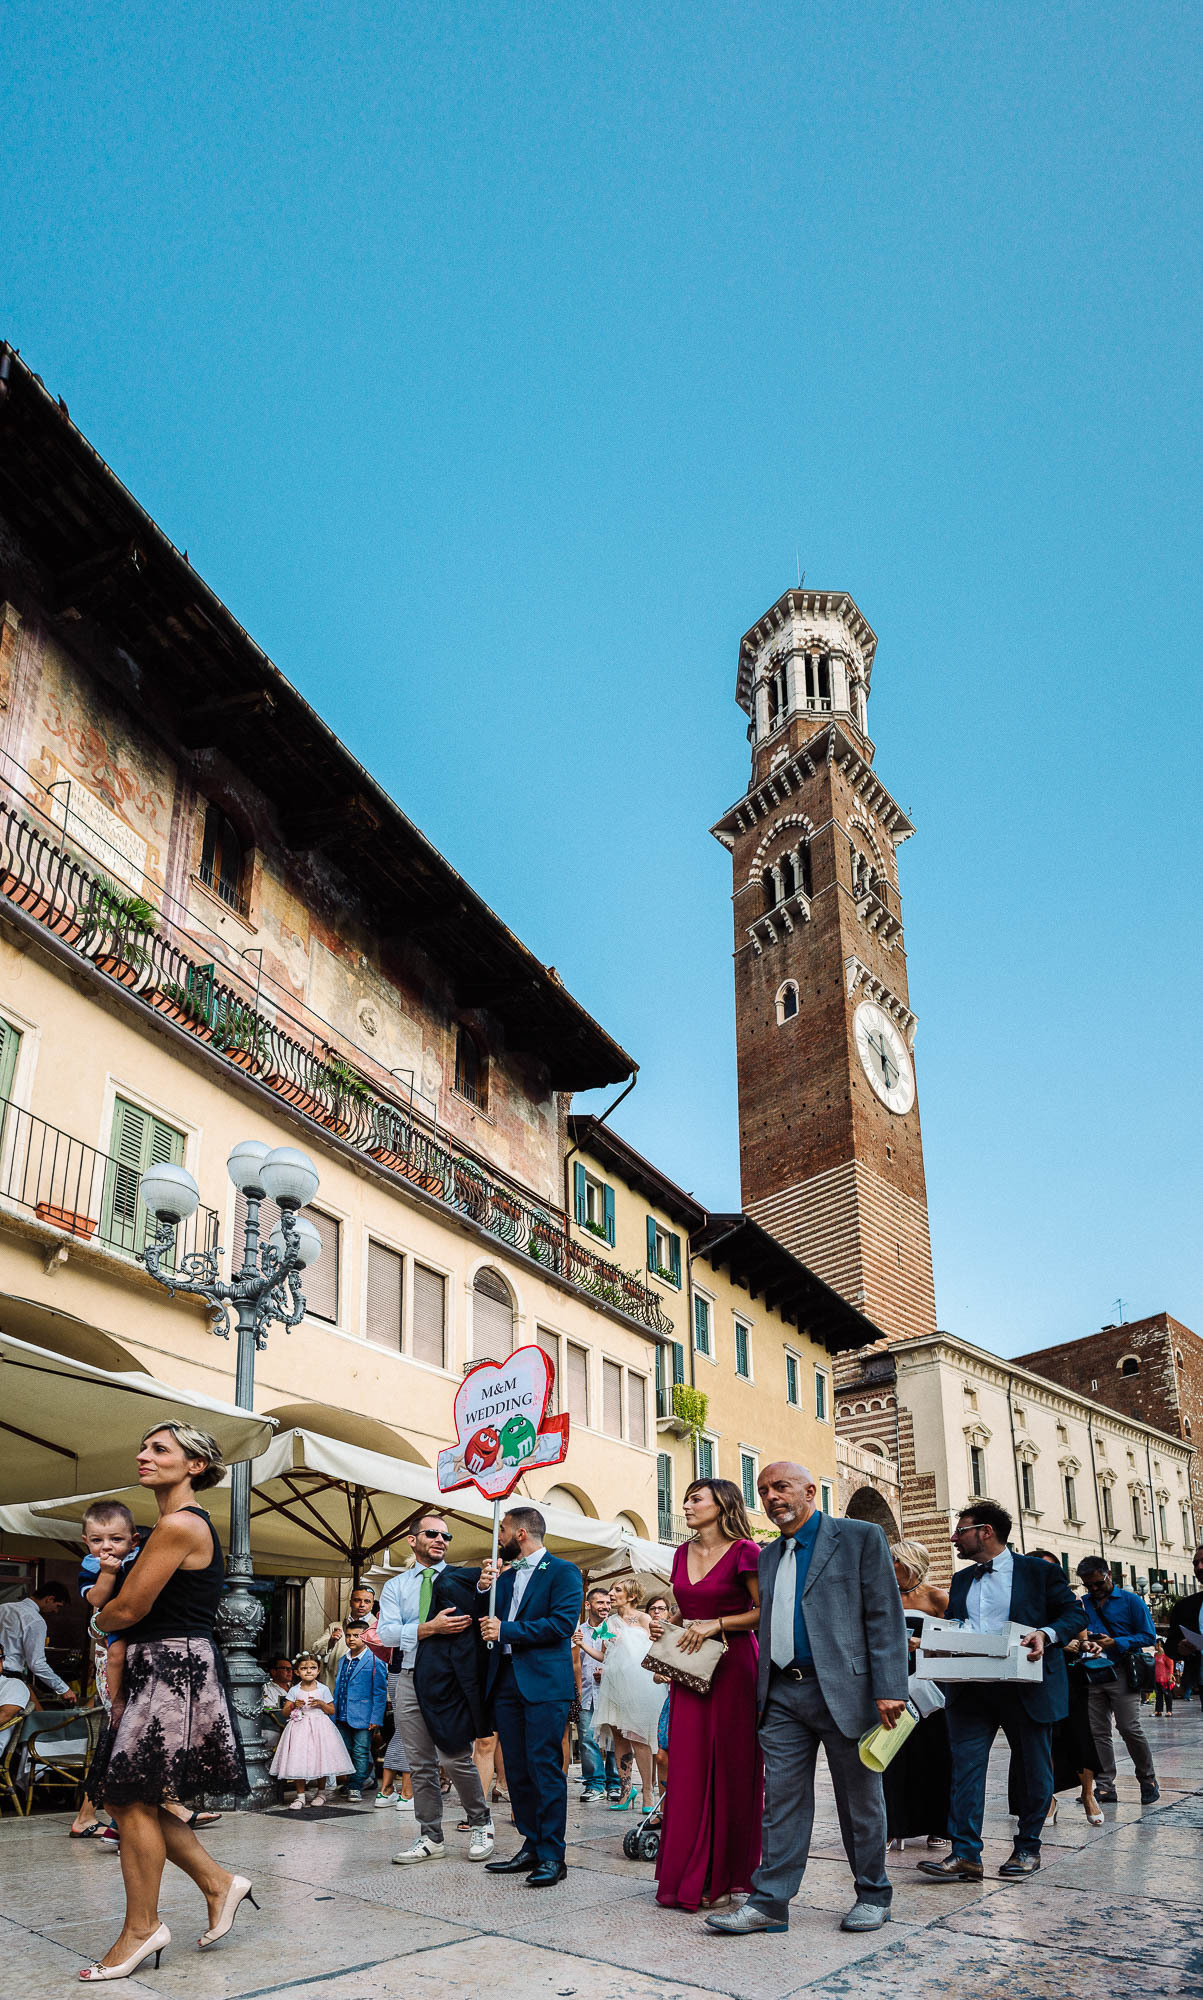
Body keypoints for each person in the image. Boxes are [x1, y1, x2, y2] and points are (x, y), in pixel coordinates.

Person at [81, 1422, 256, 1982]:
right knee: (139, 1798)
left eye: (160, 1449)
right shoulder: (168, 1525)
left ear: (195, 1465)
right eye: (143, 1447)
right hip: (161, 1666)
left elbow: (130, 1608)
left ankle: (142, 1928)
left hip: (169, 1666)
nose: (143, 1456)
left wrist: (97, 1624)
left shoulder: (180, 1524)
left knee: (128, 1798)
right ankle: (218, 1884)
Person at [706, 1462, 907, 1940]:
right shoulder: (769, 1555)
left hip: (847, 1690)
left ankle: (873, 1894)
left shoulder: (859, 1537)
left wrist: (890, 1686)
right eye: (763, 1491)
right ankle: (769, 1904)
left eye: (781, 1487)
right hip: (781, 1692)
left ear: (811, 1490)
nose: (771, 1497)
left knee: (859, 1800)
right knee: (781, 1801)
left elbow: (884, 1613)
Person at [917, 1500, 1085, 1887]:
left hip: (1026, 1686)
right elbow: (958, 1623)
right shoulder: (962, 1579)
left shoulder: (1040, 1571)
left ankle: (1027, 1847)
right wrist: (941, 1641)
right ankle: (965, 1855)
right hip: (970, 1688)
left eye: (961, 1530)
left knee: (1033, 1770)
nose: (953, 1538)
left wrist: (1046, 1634)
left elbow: (1075, 1615)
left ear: (986, 1532)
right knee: (965, 1770)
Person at [654, 1479, 762, 1912]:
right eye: (685, 1498)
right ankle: (688, 1872)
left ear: (722, 1505)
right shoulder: (681, 1553)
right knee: (689, 1766)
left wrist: (717, 1624)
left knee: (732, 1767)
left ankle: (726, 1876)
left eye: (695, 1499)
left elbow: (763, 1612)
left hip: (735, 1666)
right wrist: (668, 1625)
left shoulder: (746, 1552)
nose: (685, 1505)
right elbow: (687, 1606)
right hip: (690, 1667)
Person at [377, 1513, 494, 1865]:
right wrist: (430, 1628)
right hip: (408, 1677)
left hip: (449, 1680)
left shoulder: (466, 1578)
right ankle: (430, 1837)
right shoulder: (396, 1586)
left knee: (455, 1756)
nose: (441, 1540)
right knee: (420, 1763)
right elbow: (386, 1634)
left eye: (446, 1536)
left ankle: (481, 1823)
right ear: (412, 1540)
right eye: (432, 1534)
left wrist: (485, 1586)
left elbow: (484, 1605)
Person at [477, 1504, 582, 1888]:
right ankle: (532, 1844)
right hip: (506, 1683)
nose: (499, 1537)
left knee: (544, 1768)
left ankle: (553, 1855)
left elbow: (561, 1625)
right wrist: (483, 1587)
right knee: (516, 1770)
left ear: (520, 1533)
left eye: (503, 1530)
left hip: (544, 1684)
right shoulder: (505, 1576)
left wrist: (507, 1631)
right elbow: (486, 1616)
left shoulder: (563, 1571)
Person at [1011, 1552, 1102, 1829]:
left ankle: (1088, 1794)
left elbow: (1081, 1634)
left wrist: (1083, 1644)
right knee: (1040, 1741)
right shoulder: (1017, 1598)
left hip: (1068, 1674)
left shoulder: (1068, 1599)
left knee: (1080, 1736)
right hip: (1031, 1672)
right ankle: (1047, 1798)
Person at [882, 1539, 951, 1848]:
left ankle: (939, 1825)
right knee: (893, 1755)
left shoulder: (938, 1597)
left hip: (930, 1686)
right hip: (893, 1683)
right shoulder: (884, 1596)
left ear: (910, 1563)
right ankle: (893, 1826)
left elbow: (957, 1640)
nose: (889, 1565)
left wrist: (923, 1643)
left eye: (894, 1560)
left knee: (934, 1756)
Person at [1076, 1555, 1159, 1803]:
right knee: (1097, 1732)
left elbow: (1148, 1636)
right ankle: (1105, 1786)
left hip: (1121, 1670)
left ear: (1109, 1575)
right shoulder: (1083, 1604)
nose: (1094, 1589)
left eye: (1098, 1583)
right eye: (1088, 1585)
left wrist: (1116, 1642)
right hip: (1092, 1671)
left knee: (1129, 1727)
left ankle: (1147, 1779)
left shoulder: (1132, 1601)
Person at [583, 1580, 663, 1813]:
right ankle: (626, 1791)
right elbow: (604, 1655)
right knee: (619, 1738)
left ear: (631, 1596)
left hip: (640, 1686)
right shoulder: (607, 1623)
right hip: (613, 1685)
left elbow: (657, 1650)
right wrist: (583, 1646)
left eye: (617, 1590)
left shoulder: (644, 1619)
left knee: (639, 1738)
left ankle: (647, 1793)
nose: (611, 1593)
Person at [270, 1651, 355, 1808]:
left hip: (320, 1727)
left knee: (320, 1758)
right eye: (304, 1668)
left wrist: (321, 1704)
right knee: (298, 1758)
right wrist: (294, 1705)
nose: (308, 1671)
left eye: (313, 1668)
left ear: (318, 1670)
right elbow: (285, 1712)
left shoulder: (323, 1689)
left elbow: (331, 1710)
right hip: (299, 1728)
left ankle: (321, 1793)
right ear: (297, 1672)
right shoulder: (294, 1690)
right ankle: (300, 1795)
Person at [332, 1620, 388, 1800]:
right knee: (346, 1750)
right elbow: (338, 1688)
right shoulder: (343, 1660)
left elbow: (380, 1691)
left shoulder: (375, 1660)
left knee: (360, 1751)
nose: (351, 1639)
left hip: (364, 1716)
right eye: (348, 1635)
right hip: (342, 1713)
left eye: (356, 1635)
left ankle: (356, 1786)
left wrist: (376, 1718)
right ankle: (361, 1779)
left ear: (365, 1637)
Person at [574, 1586, 619, 1801]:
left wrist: (607, 1673)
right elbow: (575, 1663)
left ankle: (615, 1784)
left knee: (614, 1740)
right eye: (600, 1602)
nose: (606, 1606)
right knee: (587, 1739)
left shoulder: (615, 1629)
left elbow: (623, 1660)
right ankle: (594, 1785)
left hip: (612, 1693)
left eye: (608, 1603)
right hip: (586, 1693)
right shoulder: (578, 1631)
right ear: (588, 1605)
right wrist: (577, 1691)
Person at [0, 1581, 74, 1701]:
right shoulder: (35, 1620)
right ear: (49, 1599)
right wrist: (63, 1689)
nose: (56, 1611)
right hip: (9, 1678)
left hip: (7, 1676)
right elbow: (37, 1664)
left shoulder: (3, 1608)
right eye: (58, 1606)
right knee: (34, 1709)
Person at [314, 1583, 379, 1689]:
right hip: (335, 1687)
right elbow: (315, 1651)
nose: (362, 1604)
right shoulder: (335, 1627)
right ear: (350, 1602)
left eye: (367, 1601)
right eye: (357, 1600)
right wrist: (330, 1642)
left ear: (372, 1605)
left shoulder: (380, 1628)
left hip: (365, 1688)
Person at [1164, 1546, 1203, 1705]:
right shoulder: (1185, 1606)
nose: (1199, 1567)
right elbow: (1170, 1645)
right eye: (1195, 1563)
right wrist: (1180, 1647)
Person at [1154, 1641, 1175, 1717]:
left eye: (1155, 1644)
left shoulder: (1166, 1655)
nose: (1154, 1646)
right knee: (1158, 1695)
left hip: (1165, 1679)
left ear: (1159, 1644)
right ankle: (1158, 1711)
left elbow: (1171, 1665)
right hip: (1157, 1678)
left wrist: (1170, 1677)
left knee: (1167, 1695)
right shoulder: (1155, 1654)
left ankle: (1169, 1711)